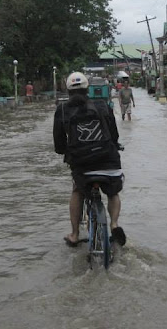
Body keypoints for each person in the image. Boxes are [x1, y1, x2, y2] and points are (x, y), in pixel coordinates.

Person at [53, 72, 126, 247]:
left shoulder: (62, 110)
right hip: (108, 160)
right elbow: (114, 136)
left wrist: (68, 152)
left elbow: (59, 145)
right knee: (113, 192)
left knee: (78, 191)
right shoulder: (102, 106)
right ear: (88, 89)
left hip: (82, 165)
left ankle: (75, 234)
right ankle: (114, 224)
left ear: (68, 90)